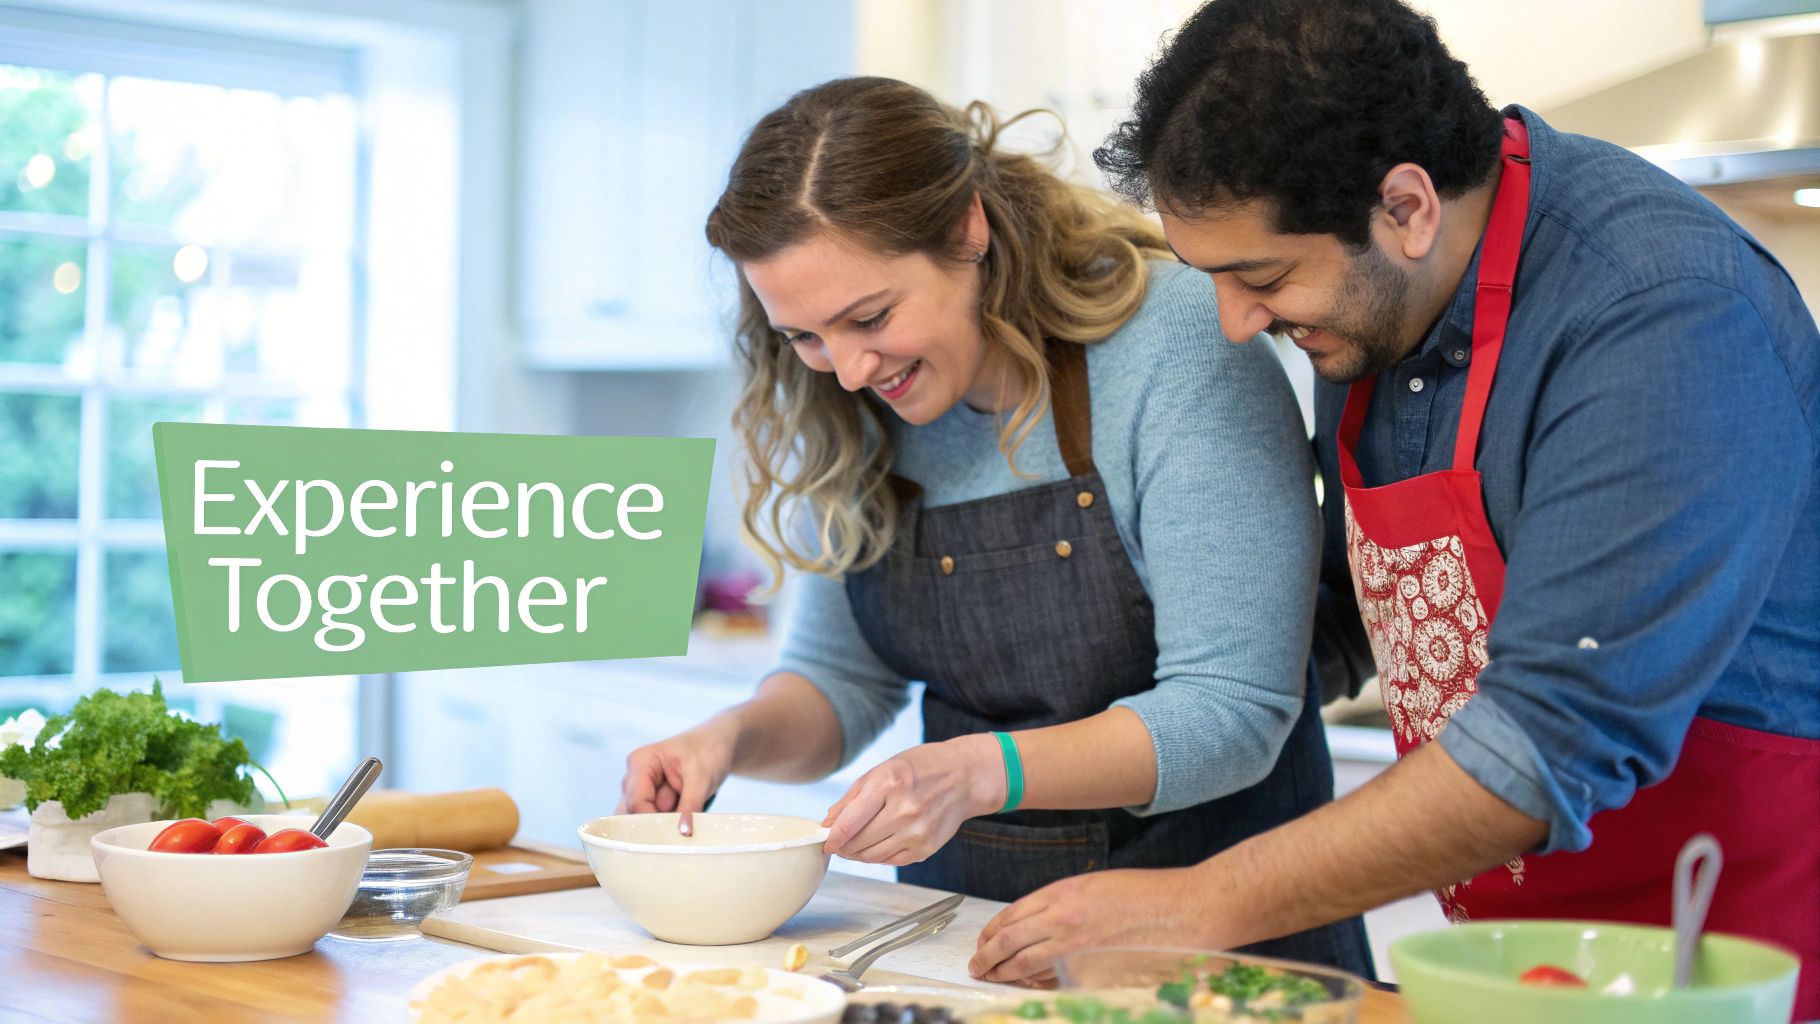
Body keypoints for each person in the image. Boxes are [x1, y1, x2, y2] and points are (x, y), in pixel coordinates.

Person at [968, 1, 1820, 1013]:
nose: (1238, 326)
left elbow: (1550, 738)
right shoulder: (1380, 308)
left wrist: (1196, 902)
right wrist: (1173, 691)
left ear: (1406, 206)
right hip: (1519, 950)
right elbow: (1368, 606)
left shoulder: (1657, 311)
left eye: (1261, 277)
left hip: (1728, 944)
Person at [614, 75, 1371, 973]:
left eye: (870, 316)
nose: (849, 370)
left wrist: (976, 772)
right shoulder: (851, 406)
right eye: (805, 338)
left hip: (1218, 951)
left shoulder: (1172, 347)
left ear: (967, 230)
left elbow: (1232, 713)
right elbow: (839, 683)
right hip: (962, 945)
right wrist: (729, 738)